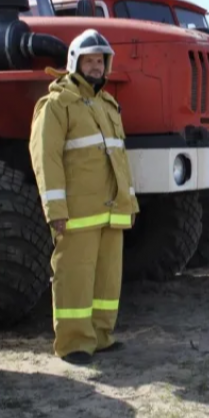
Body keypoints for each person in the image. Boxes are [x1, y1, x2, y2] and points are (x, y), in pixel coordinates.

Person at [29, 28, 139, 365]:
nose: (95, 67)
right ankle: (74, 343)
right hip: (77, 213)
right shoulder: (56, 104)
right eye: (89, 61)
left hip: (112, 211)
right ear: (75, 62)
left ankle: (101, 336)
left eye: (100, 61)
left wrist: (129, 202)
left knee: (107, 281)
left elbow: (120, 158)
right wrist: (55, 210)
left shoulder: (108, 105)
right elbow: (45, 159)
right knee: (74, 277)